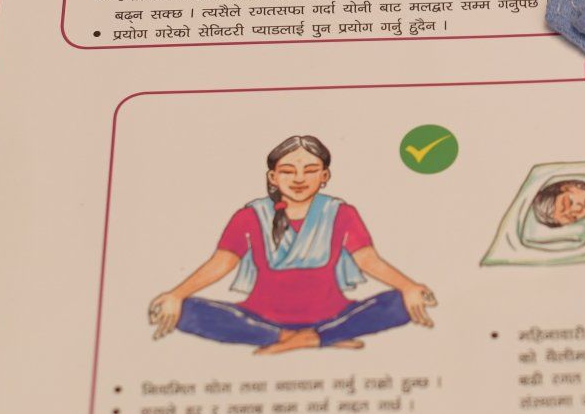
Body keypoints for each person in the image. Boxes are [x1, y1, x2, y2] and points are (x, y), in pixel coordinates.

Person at [148, 135, 437, 354]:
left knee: (402, 302)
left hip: (334, 314)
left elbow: (368, 260)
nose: (299, 179)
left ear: (324, 176)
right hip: (261, 318)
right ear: (273, 177)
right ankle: (304, 338)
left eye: (311, 170)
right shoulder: (250, 216)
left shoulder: (341, 213)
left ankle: (316, 335)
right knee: (183, 309)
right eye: (288, 171)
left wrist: (408, 286)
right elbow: (222, 262)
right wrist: (176, 294)